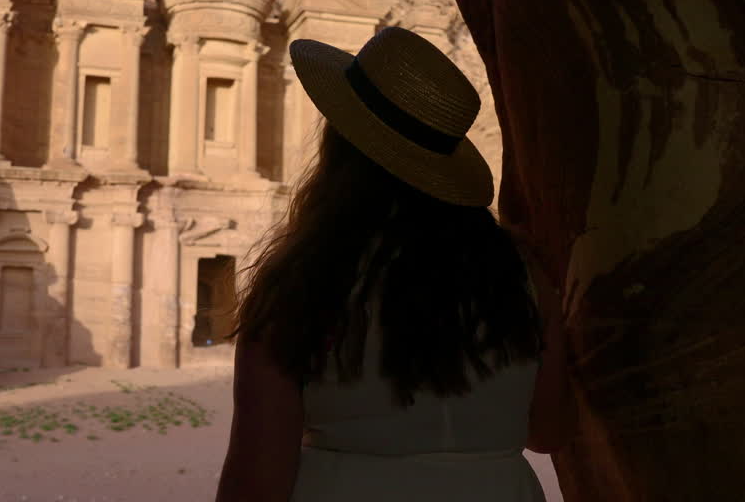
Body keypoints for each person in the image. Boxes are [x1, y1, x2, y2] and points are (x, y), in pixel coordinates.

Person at [214, 26, 575, 502]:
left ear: (340, 151)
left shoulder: (302, 280)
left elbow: (256, 482)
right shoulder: (521, 271)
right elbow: (548, 432)